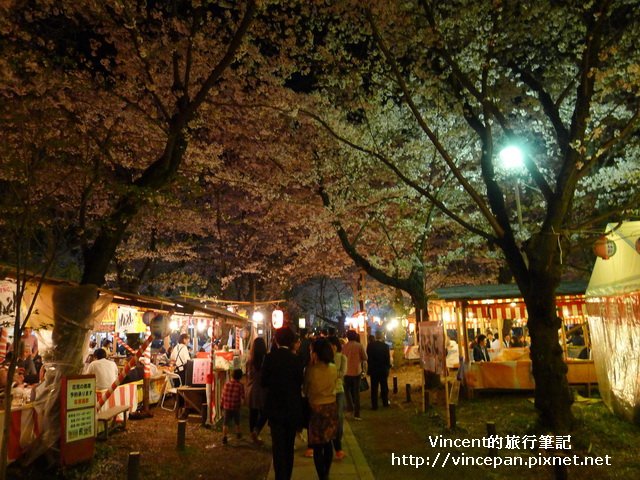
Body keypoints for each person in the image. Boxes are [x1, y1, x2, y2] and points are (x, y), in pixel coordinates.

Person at [262, 327, 304, 480]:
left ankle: (280, 476)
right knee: (289, 446)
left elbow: (263, 382)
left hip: (275, 407)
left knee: (278, 446)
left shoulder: (270, 358)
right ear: (292, 341)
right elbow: (300, 381)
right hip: (292, 406)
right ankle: (287, 476)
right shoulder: (296, 359)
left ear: (276, 340)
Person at [304, 338, 338, 480]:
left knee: (317, 446)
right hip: (331, 406)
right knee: (328, 442)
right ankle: (327, 473)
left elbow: (306, 389)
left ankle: (321, 476)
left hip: (316, 408)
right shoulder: (333, 368)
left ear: (315, 353)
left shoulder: (311, 370)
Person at [328, 336, 347, 460]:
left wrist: (331, 373)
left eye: (334, 345)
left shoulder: (342, 357)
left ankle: (338, 437)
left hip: (339, 390)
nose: (332, 347)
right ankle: (333, 441)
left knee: (339, 416)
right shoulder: (326, 358)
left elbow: (342, 373)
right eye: (330, 345)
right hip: (328, 390)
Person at [246, 337, 268, 445]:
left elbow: (248, 375)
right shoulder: (266, 360)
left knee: (253, 413)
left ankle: (253, 434)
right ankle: (256, 430)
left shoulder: (250, 360)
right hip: (262, 389)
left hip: (251, 389)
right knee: (265, 412)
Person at [342, 329, 367, 420]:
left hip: (346, 372)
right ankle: (357, 414)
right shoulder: (359, 346)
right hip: (357, 371)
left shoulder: (344, 347)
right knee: (356, 393)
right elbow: (365, 357)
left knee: (347, 391)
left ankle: (350, 408)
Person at [366, 330, 391, 410]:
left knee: (374, 388)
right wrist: (388, 367)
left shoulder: (370, 346)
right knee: (384, 386)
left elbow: (368, 358)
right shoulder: (385, 346)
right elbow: (387, 359)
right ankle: (385, 402)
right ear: (382, 336)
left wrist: (369, 368)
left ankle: (374, 405)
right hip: (383, 369)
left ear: (376, 336)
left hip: (373, 369)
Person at [221, 369, 245, 445]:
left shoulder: (226, 384)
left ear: (232, 375)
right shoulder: (240, 385)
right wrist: (242, 404)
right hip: (236, 406)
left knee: (225, 423)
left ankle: (224, 437)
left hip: (227, 406)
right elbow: (242, 397)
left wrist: (221, 405)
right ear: (240, 377)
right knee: (237, 421)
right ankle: (238, 434)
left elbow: (223, 395)